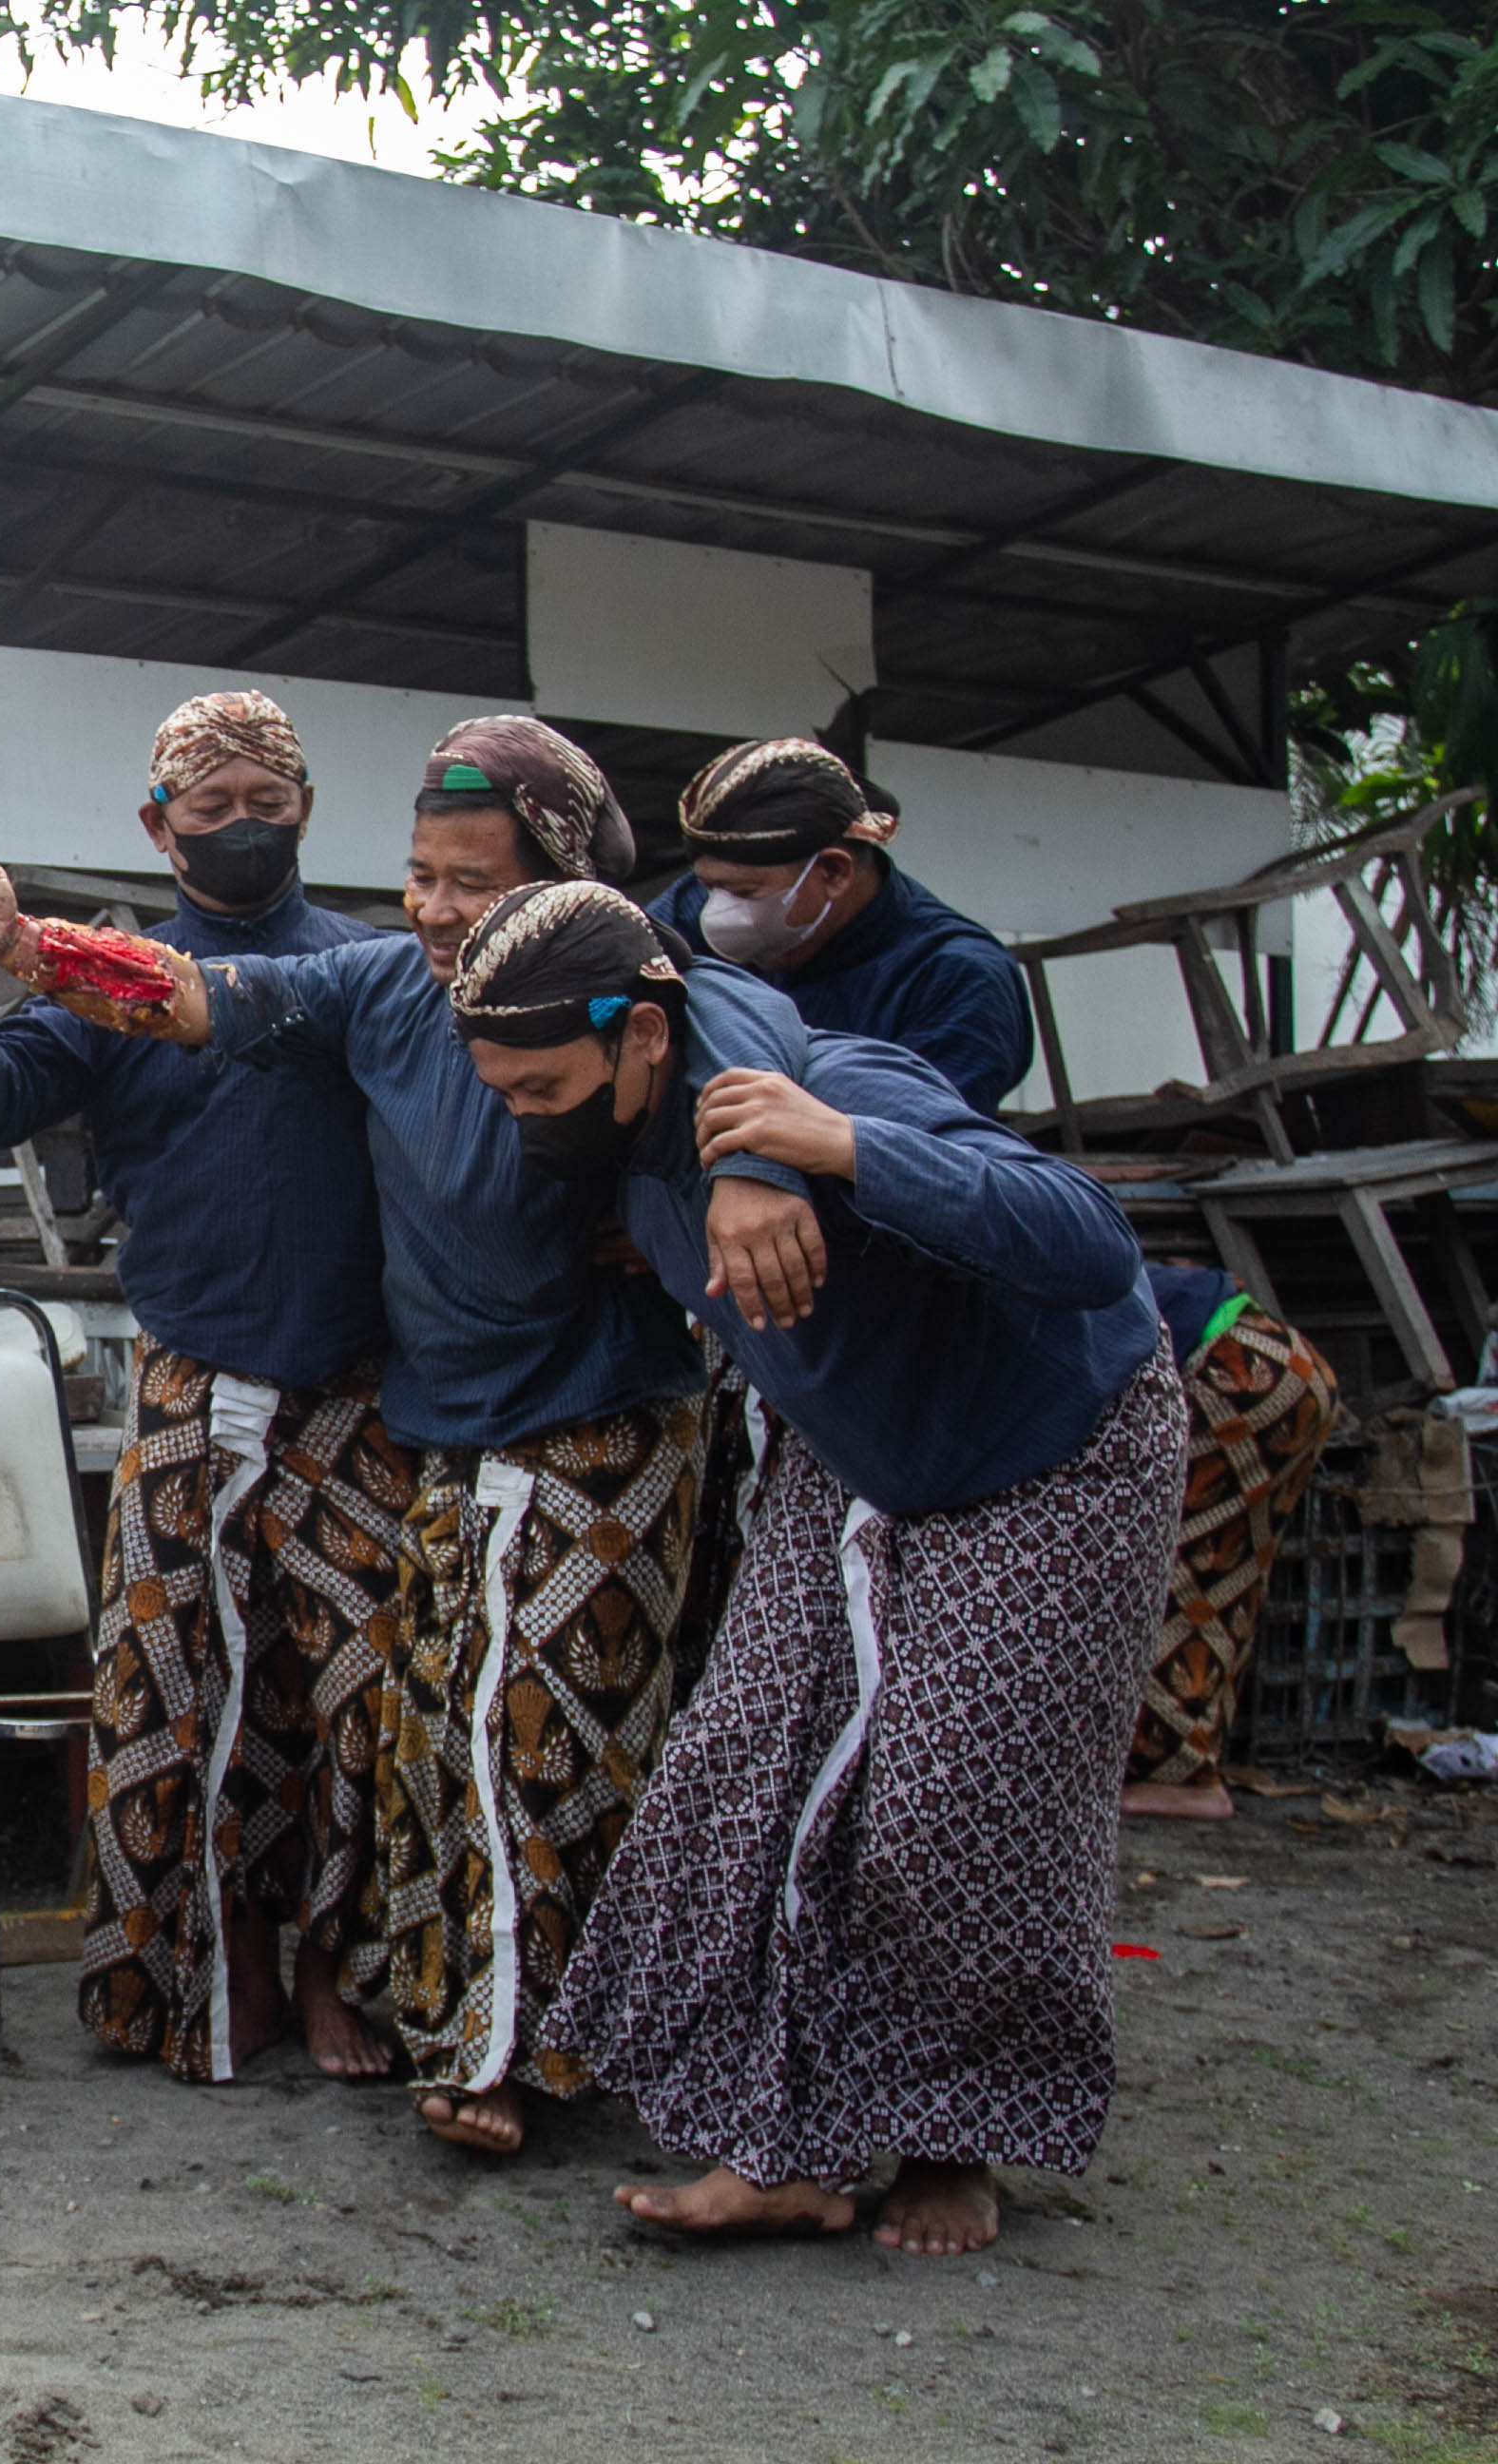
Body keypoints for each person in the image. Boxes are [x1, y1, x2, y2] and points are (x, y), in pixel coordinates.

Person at [0, 715, 831, 2158]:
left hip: (465, 1409)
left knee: (433, 1733)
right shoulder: (372, 982)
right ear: (160, 820)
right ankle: (246, 1989)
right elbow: (152, 1010)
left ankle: (458, 2015)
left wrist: (737, 1173)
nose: (440, 909)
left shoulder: (578, 982)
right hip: (299, 1403)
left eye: (473, 882)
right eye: (424, 877)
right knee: (264, 1716)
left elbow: (735, 1040)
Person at [432, 879, 1179, 2259]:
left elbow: (1087, 1242)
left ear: (643, 1039)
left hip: (1051, 1448)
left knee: (947, 1808)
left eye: (542, 1086)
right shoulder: (652, 1110)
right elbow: (694, 959)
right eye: (504, 1087)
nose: (521, 1113)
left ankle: (959, 2148)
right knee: (741, 1784)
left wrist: (836, 1152)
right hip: (859, 1450)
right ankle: (787, 2151)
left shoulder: (839, 1087)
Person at [0, 688, 401, 2088]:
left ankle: (339, 1968)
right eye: (214, 811)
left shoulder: (366, 972)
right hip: (191, 1383)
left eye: (270, 805)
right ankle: (228, 1971)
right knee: (174, 1698)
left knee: (359, 1701)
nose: (247, 829)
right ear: (159, 828)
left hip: (359, 1391)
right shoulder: (109, 979)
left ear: (308, 811)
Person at [650, 743, 1035, 1111]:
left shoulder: (957, 980)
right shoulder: (690, 911)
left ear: (835, 872)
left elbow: (915, 1150)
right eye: (710, 887)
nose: (720, 914)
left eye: (743, 892)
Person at [1124, 1260, 1343, 1820]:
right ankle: (1176, 1768)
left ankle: (1178, 1779)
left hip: (1239, 1373)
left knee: (1167, 1571)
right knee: (1214, 1582)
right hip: (1278, 1363)